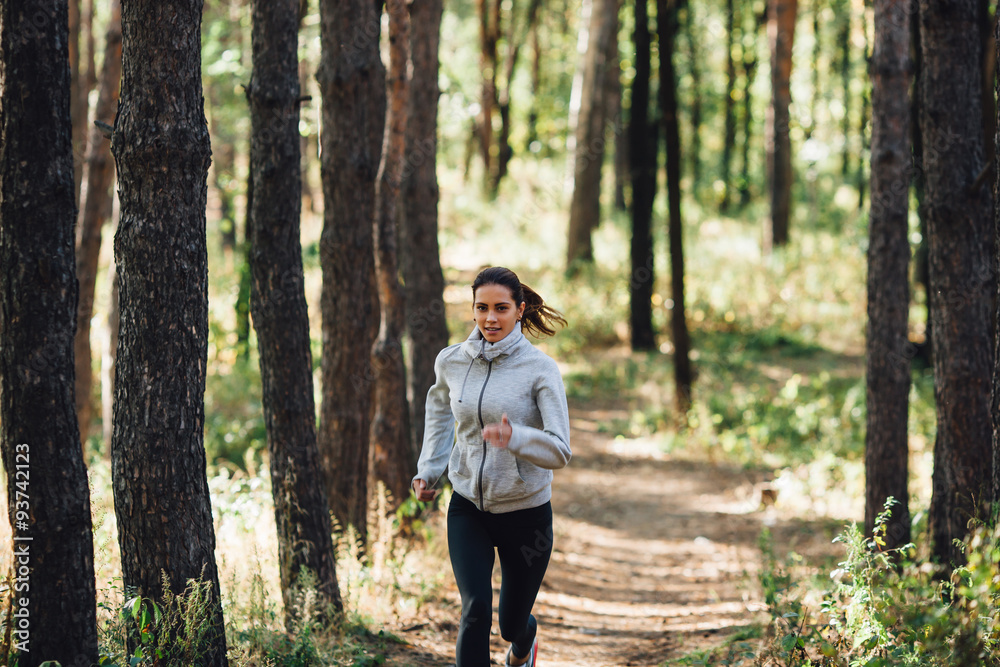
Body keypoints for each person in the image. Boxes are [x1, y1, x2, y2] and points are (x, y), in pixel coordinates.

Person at [412, 266, 572, 667]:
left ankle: (525, 643)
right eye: (481, 308)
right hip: (469, 507)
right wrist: (428, 470)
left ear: (519, 311)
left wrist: (515, 437)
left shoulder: (540, 369)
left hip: (527, 514)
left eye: (501, 308)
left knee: (510, 624)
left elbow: (560, 451)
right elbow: (438, 411)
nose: (490, 318)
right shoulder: (451, 361)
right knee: (475, 610)